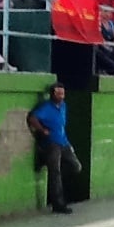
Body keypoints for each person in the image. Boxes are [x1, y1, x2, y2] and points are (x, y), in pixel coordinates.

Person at [27, 82, 82, 215]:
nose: (61, 96)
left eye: (63, 93)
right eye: (58, 93)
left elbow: (61, 127)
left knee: (76, 166)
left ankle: (46, 162)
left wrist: (68, 143)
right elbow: (32, 118)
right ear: (52, 94)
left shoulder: (63, 106)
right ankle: (58, 204)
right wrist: (42, 130)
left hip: (63, 142)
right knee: (55, 174)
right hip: (51, 143)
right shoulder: (46, 107)